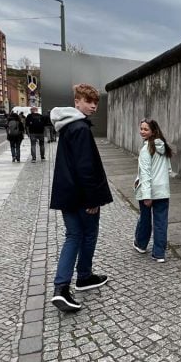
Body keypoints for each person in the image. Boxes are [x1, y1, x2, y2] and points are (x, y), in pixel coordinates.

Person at [49, 84, 113, 312]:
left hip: (67, 194)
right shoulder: (81, 129)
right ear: (77, 101)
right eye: (89, 101)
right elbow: (86, 168)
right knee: (87, 235)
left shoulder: (66, 127)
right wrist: (92, 200)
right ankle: (84, 277)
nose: (94, 106)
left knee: (72, 236)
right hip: (82, 196)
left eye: (96, 102)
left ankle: (61, 287)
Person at [133, 119, 173, 263]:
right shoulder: (164, 146)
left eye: (146, 129)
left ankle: (141, 244)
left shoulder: (146, 150)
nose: (142, 131)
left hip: (148, 191)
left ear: (153, 131)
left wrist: (147, 195)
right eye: (141, 128)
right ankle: (159, 253)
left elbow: (145, 174)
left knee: (145, 219)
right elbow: (168, 169)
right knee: (161, 222)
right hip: (163, 191)